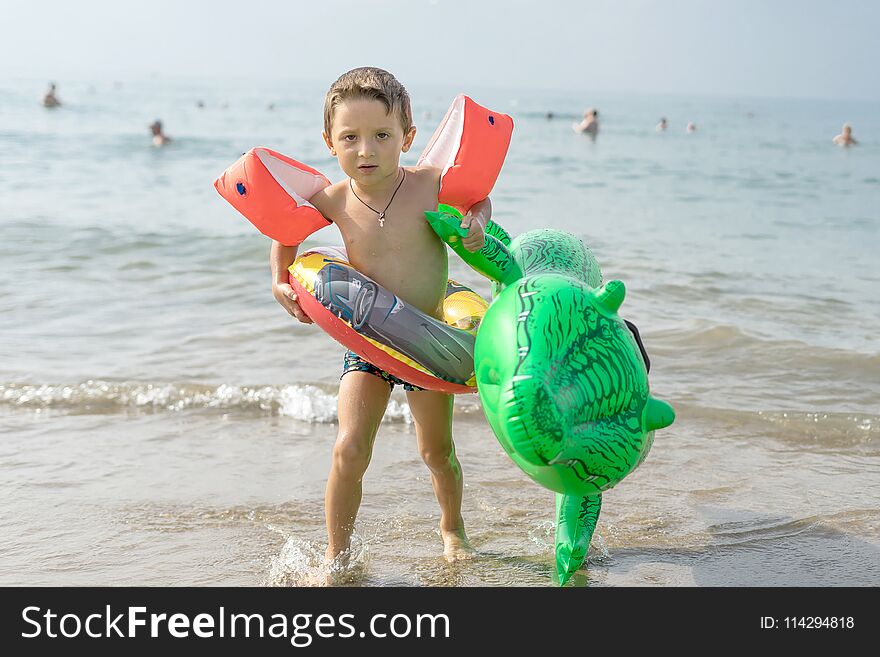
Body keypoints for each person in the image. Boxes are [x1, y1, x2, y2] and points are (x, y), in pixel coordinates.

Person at [270, 67, 486, 576]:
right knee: (348, 446)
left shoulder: (429, 186)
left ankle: (452, 528)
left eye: (381, 136)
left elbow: (475, 200)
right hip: (367, 347)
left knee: (437, 452)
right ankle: (335, 555)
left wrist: (476, 223)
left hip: (429, 341)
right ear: (329, 142)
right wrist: (278, 280)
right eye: (350, 138)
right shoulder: (334, 200)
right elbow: (285, 231)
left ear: (407, 137)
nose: (365, 150)